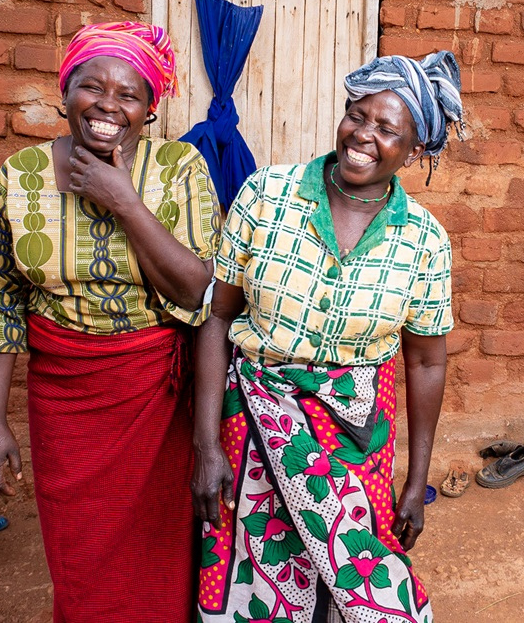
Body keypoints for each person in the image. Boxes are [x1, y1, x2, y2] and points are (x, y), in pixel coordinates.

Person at [192, 52, 463, 623]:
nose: (364, 135)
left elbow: (427, 364)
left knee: (353, 573)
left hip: (357, 431)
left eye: (388, 129)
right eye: (356, 115)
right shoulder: (267, 195)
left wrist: (415, 483)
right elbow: (217, 318)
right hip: (254, 420)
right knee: (254, 572)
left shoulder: (424, 242)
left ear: (414, 148)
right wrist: (207, 445)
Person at [0, 21, 219, 622]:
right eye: (92, 87)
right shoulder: (21, 177)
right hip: (65, 394)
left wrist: (122, 198)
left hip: (156, 395)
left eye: (129, 94)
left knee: (160, 544)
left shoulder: (179, 168)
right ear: (66, 93)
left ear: (150, 110)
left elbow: (198, 288)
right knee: (79, 545)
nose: (108, 105)